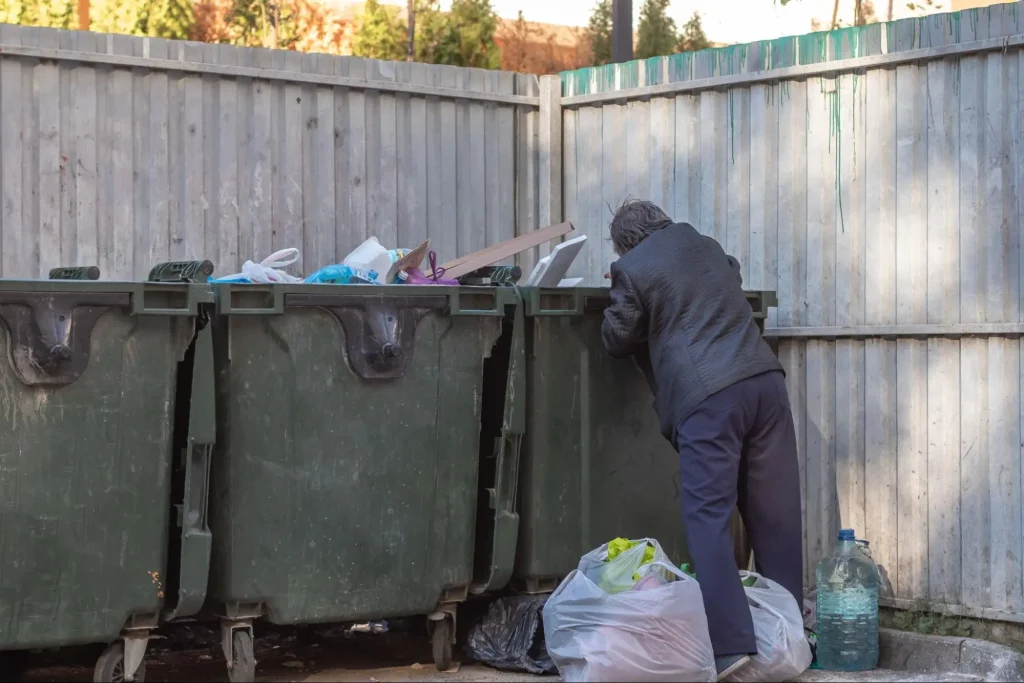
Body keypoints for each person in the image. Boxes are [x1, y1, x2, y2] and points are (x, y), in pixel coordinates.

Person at [600, 198, 803, 681]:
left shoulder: (631, 268)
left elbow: (616, 337)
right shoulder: (706, 245)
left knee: (707, 519)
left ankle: (731, 647)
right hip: (765, 383)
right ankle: (793, 635)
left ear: (625, 244)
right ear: (662, 222)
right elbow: (730, 274)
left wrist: (620, 297)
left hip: (710, 399)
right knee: (775, 516)